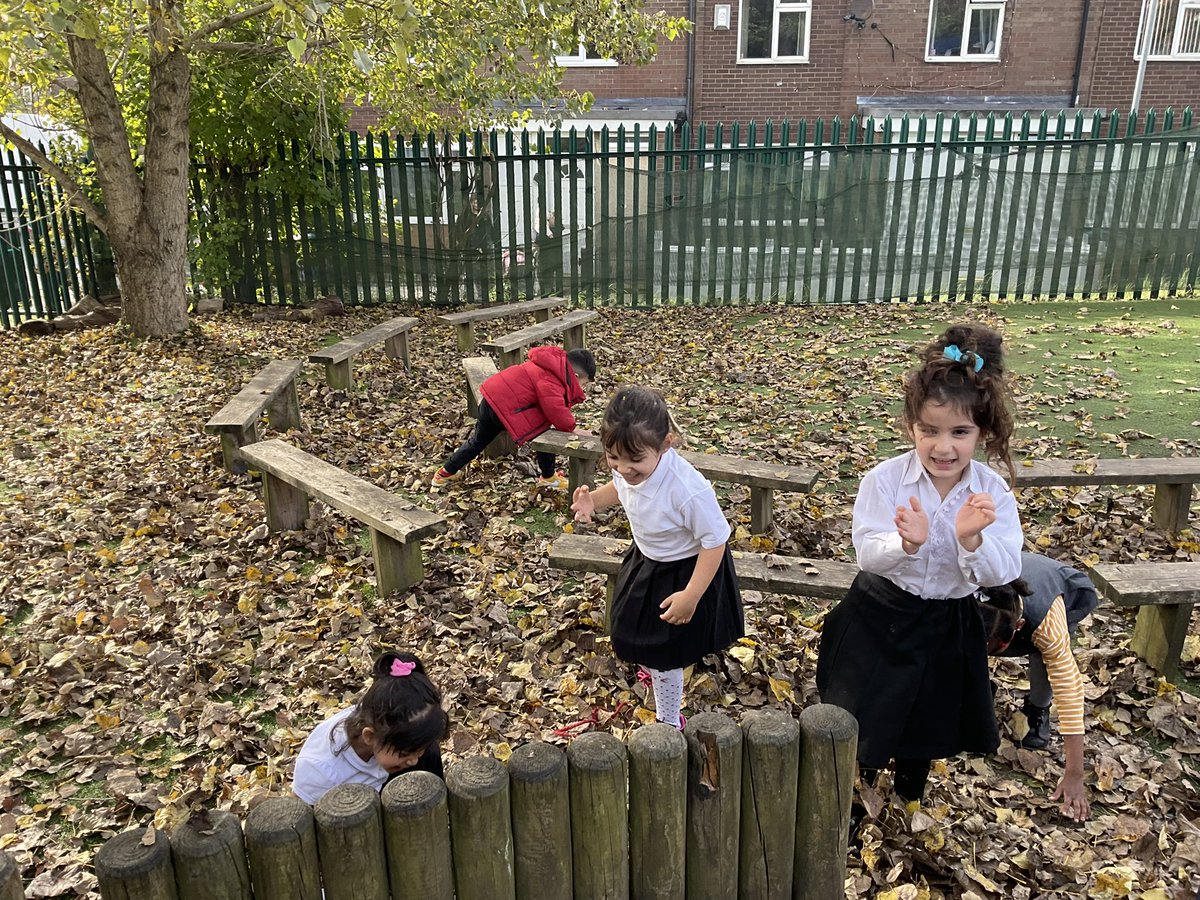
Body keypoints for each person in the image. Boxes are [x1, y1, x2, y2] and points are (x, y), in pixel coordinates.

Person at [816, 322, 1023, 817]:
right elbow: (867, 553)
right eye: (929, 431)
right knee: (866, 709)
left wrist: (971, 538)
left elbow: (1004, 568)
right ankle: (857, 789)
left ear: (983, 432)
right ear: (911, 425)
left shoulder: (990, 493)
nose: (943, 447)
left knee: (925, 717)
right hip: (879, 615)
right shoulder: (885, 481)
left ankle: (910, 794)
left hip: (946, 622)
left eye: (960, 432)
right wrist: (905, 544)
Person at [570, 386, 744, 730]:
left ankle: (669, 720)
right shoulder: (628, 469)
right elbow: (621, 489)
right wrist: (593, 502)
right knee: (628, 626)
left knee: (666, 651)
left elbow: (716, 541)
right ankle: (652, 670)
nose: (624, 469)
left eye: (635, 461)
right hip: (647, 560)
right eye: (613, 458)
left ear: (665, 443)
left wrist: (691, 596)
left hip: (685, 571)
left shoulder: (687, 488)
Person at [978, 551, 1097, 821]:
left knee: (1044, 661)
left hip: (1048, 595)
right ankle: (979, 698)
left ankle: (1037, 710)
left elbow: (1070, 693)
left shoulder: (1048, 627)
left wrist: (1074, 774)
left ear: (1017, 627)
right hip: (998, 604)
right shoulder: (970, 596)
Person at [292, 651, 450, 805]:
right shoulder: (322, 770)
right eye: (403, 753)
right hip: (348, 813)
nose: (414, 761)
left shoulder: (385, 731)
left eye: (418, 752)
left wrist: (415, 752)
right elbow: (301, 810)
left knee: (429, 751)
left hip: (378, 782)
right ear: (369, 736)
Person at [431, 346, 596, 491]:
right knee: (545, 429)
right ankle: (548, 477)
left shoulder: (549, 365)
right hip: (503, 410)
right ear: (574, 375)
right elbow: (555, 409)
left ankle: (445, 472)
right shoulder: (552, 379)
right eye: (584, 383)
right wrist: (572, 428)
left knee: (477, 442)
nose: (583, 388)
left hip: (490, 401)